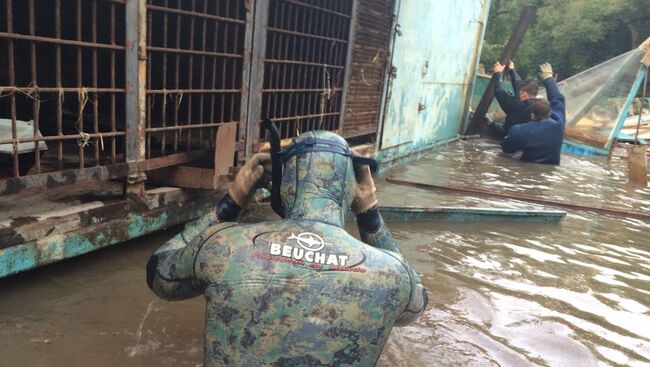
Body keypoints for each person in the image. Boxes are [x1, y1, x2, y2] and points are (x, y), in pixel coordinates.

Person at [146, 130, 428, 366]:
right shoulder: (393, 274)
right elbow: (415, 306)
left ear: (283, 184)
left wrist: (232, 201)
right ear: (353, 186)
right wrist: (369, 213)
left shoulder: (222, 244)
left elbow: (159, 274)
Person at [500, 63, 566, 165]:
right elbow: (558, 100)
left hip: (526, 169)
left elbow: (506, 149)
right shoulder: (559, 124)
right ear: (549, 112)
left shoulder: (520, 131)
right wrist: (548, 78)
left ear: (532, 115)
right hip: (550, 172)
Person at [489, 60, 539, 138]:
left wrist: (498, 74)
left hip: (511, 137)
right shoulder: (541, 105)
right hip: (530, 138)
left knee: (490, 122)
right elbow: (519, 85)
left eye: (520, 93)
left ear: (524, 94)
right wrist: (512, 70)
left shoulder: (517, 105)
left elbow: (498, 92)